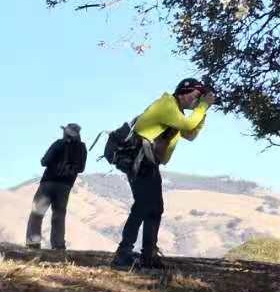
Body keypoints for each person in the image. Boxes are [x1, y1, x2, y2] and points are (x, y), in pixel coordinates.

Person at [112, 77, 213, 269]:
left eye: (199, 97)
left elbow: (190, 134)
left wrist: (203, 111)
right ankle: (123, 253)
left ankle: (148, 254)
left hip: (149, 162)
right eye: (196, 95)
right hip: (139, 158)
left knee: (155, 207)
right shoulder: (167, 104)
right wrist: (203, 106)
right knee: (143, 205)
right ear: (183, 92)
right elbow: (188, 125)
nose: (197, 100)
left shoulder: (178, 113)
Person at [25, 122, 87, 251]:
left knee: (37, 213)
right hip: (65, 186)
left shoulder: (59, 143)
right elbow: (81, 168)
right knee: (59, 215)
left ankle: (33, 244)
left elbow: (44, 161)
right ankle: (58, 245)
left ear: (66, 133)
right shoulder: (82, 148)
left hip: (48, 183)